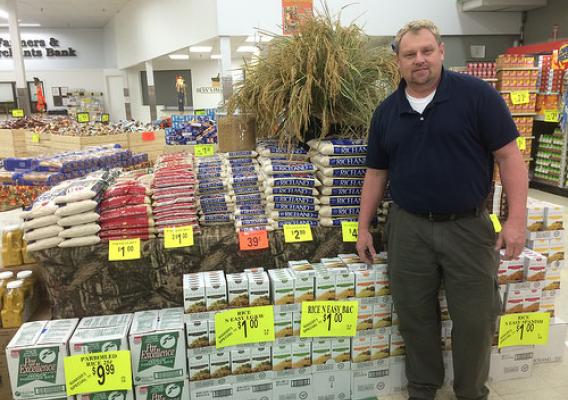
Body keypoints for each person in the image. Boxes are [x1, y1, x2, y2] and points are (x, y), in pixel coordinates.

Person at [356, 20, 527, 400]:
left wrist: (517, 220)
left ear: (441, 52)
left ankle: (470, 391)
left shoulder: (477, 96)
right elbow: (376, 173)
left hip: (468, 228)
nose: (419, 60)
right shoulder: (386, 112)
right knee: (415, 316)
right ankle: (422, 386)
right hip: (408, 228)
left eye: (426, 51)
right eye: (410, 54)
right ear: (397, 62)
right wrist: (363, 226)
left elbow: (510, 158)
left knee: (475, 319)